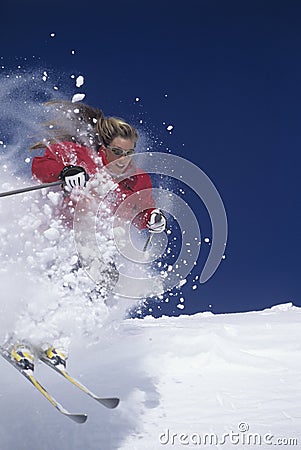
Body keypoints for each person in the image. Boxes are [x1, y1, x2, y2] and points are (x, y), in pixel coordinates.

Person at [31, 100, 167, 233]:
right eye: (117, 152)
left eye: (129, 153)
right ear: (104, 148)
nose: (123, 159)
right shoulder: (80, 155)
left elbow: (140, 213)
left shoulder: (139, 179)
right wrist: (64, 171)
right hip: (56, 230)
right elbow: (39, 166)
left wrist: (151, 218)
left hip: (96, 242)